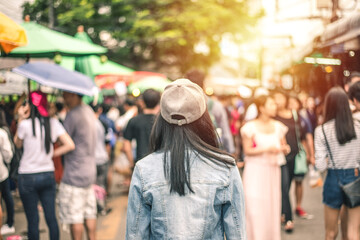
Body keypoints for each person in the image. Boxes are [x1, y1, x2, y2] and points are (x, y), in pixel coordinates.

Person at [126, 79, 246, 239]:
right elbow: (236, 233)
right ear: (204, 118)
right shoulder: (225, 167)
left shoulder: (144, 169)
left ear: (161, 119)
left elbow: (135, 235)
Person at [13, 91, 75, 240]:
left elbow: (17, 144)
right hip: (47, 174)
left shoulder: (25, 125)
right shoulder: (53, 123)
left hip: (27, 175)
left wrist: (20, 118)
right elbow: (70, 145)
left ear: (30, 106)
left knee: (32, 221)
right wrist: (52, 153)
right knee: (51, 218)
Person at [241, 95, 290, 240]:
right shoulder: (249, 127)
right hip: (255, 170)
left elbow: (284, 145)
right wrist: (267, 149)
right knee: (253, 206)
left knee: (271, 207)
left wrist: (285, 149)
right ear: (261, 108)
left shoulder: (279, 127)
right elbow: (247, 150)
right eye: (271, 104)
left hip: (272, 170)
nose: (275, 106)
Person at [314, 87, 360, 240]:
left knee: (331, 233)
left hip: (333, 178)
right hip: (355, 176)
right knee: (354, 233)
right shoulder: (358, 127)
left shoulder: (322, 130)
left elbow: (320, 165)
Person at [59, 91, 97, 240]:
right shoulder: (88, 110)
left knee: (76, 216)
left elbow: (64, 140)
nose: (63, 97)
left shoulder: (73, 115)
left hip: (74, 173)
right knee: (89, 212)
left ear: (74, 95)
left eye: (66, 94)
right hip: (89, 170)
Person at [273, 89, 308, 232]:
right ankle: (288, 218)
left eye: (280, 98)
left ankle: (282, 212)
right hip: (281, 156)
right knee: (284, 185)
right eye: (275, 99)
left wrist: (308, 153)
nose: (278, 101)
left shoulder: (294, 115)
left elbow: (303, 135)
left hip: (295, 155)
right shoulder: (273, 117)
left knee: (288, 185)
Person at [185, 69, 235, 154]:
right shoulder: (215, 105)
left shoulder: (182, 105)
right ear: (203, 83)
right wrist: (230, 151)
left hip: (188, 151)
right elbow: (225, 132)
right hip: (211, 152)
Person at [123, 89, 160, 166]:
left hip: (140, 163)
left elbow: (126, 146)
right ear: (158, 102)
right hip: (158, 164)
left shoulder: (134, 121)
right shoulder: (161, 123)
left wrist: (132, 164)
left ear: (143, 102)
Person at [0, 109, 14, 240]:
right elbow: (8, 154)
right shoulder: (2, 133)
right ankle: (10, 222)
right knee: (6, 196)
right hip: (1, 172)